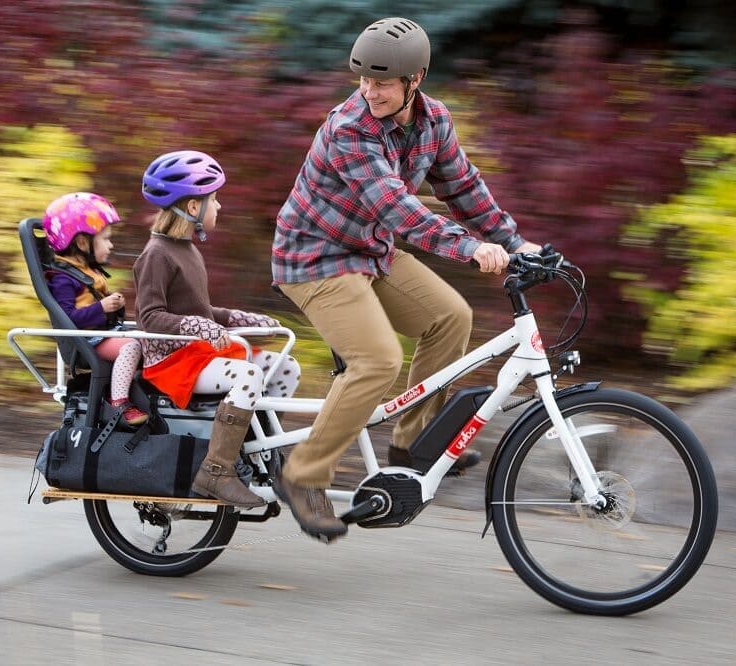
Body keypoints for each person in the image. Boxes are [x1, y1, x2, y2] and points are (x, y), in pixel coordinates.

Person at [271, 17, 543, 541]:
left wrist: (513, 241)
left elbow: (463, 187)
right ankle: (303, 474)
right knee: (377, 360)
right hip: (314, 257)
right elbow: (397, 210)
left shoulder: (434, 120)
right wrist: (469, 248)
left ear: (414, 79)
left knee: (450, 317)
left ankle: (412, 445)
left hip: (369, 250)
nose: (369, 91)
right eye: (363, 80)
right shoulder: (349, 128)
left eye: (382, 82)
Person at [135, 150, 302, 507]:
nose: (219, 207)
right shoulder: (156, 254)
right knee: (247, 375)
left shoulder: (187, 250)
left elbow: (203, 310)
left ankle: (262, 451)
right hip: (171, 362)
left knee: (285, 366)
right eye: (214, 200)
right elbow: (150, 317)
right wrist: (200, 327)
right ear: (193, 208)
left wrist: (244, 319)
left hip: (198, 354)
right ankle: (216, 470)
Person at [43, 192, 149, 428]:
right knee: (132, 347)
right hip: (87, 342)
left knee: (148, 339)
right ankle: (118, 402)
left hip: (102, 334)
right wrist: (101, 307)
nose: (111, 245)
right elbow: (68, 319)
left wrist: (111, 304)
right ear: (82, 242)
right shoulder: (63, 279)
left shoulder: (86, 271)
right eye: (106, 239)